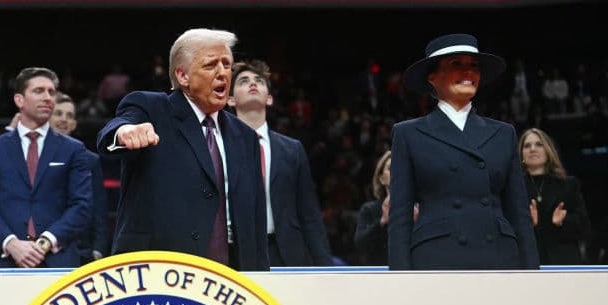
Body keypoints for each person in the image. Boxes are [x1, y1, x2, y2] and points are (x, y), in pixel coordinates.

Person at [95, 28, 268, 271]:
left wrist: (260, 276)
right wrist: (124, 133)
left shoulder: (245, 137)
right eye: (210, 65)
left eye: (226, 64)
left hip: (232, 277)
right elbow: (114, 130)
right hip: (158, 270)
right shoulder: (151, 108)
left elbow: (255, 221)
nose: (222, 73)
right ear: (183, 76)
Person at [389, 33, 538, 270]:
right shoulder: (408, 134)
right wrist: (400, 277)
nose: (468, 72)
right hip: (436, 260)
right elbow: (399, 217)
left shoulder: (504, 133)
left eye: (474, 66)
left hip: (499, 258)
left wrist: (532, 273)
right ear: (432, 77)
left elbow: (519, 214)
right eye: (456, 64)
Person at [0, 67, 91, 268]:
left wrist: (45, 242)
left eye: (51, 92)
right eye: (39, 91)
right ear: (19, 100)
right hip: (4, 260)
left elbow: (82, 205)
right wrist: (12, 243)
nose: (48, 98)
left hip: (57, 261)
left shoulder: (73, 149)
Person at [229, 59, 331, 267]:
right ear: (230, 100)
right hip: (236, 253)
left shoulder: (292, 149)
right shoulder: (220, 146)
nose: (252, 84)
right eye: (243, 81)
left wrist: (326, 268)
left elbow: (309, 213)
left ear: (269, 98)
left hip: (286, 253)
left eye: (259, 81)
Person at [51, 92, 108, 264]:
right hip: (41, 247)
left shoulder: (90, 160)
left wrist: (98, 249)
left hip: (80, 251)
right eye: (58, 113)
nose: (64, 119)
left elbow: (99, 208)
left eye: (69, 116)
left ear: (74, 124)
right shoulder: (31, 157)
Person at [519, 127, 591, 265]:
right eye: (527, 146)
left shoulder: (568, 184)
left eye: (539, 144)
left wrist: (563, 221)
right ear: (521, 154)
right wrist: (526, 224)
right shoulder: (514, 187)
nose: (532, 149)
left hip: (564, 263)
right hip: (528, 263)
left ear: (548, 150)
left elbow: (585, 228)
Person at [354, 151, 393, 266]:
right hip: (380, 272)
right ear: (381, 179)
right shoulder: (369, 209)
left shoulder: (420, 207)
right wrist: (382, 222)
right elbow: (360, 245)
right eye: (391, 168)